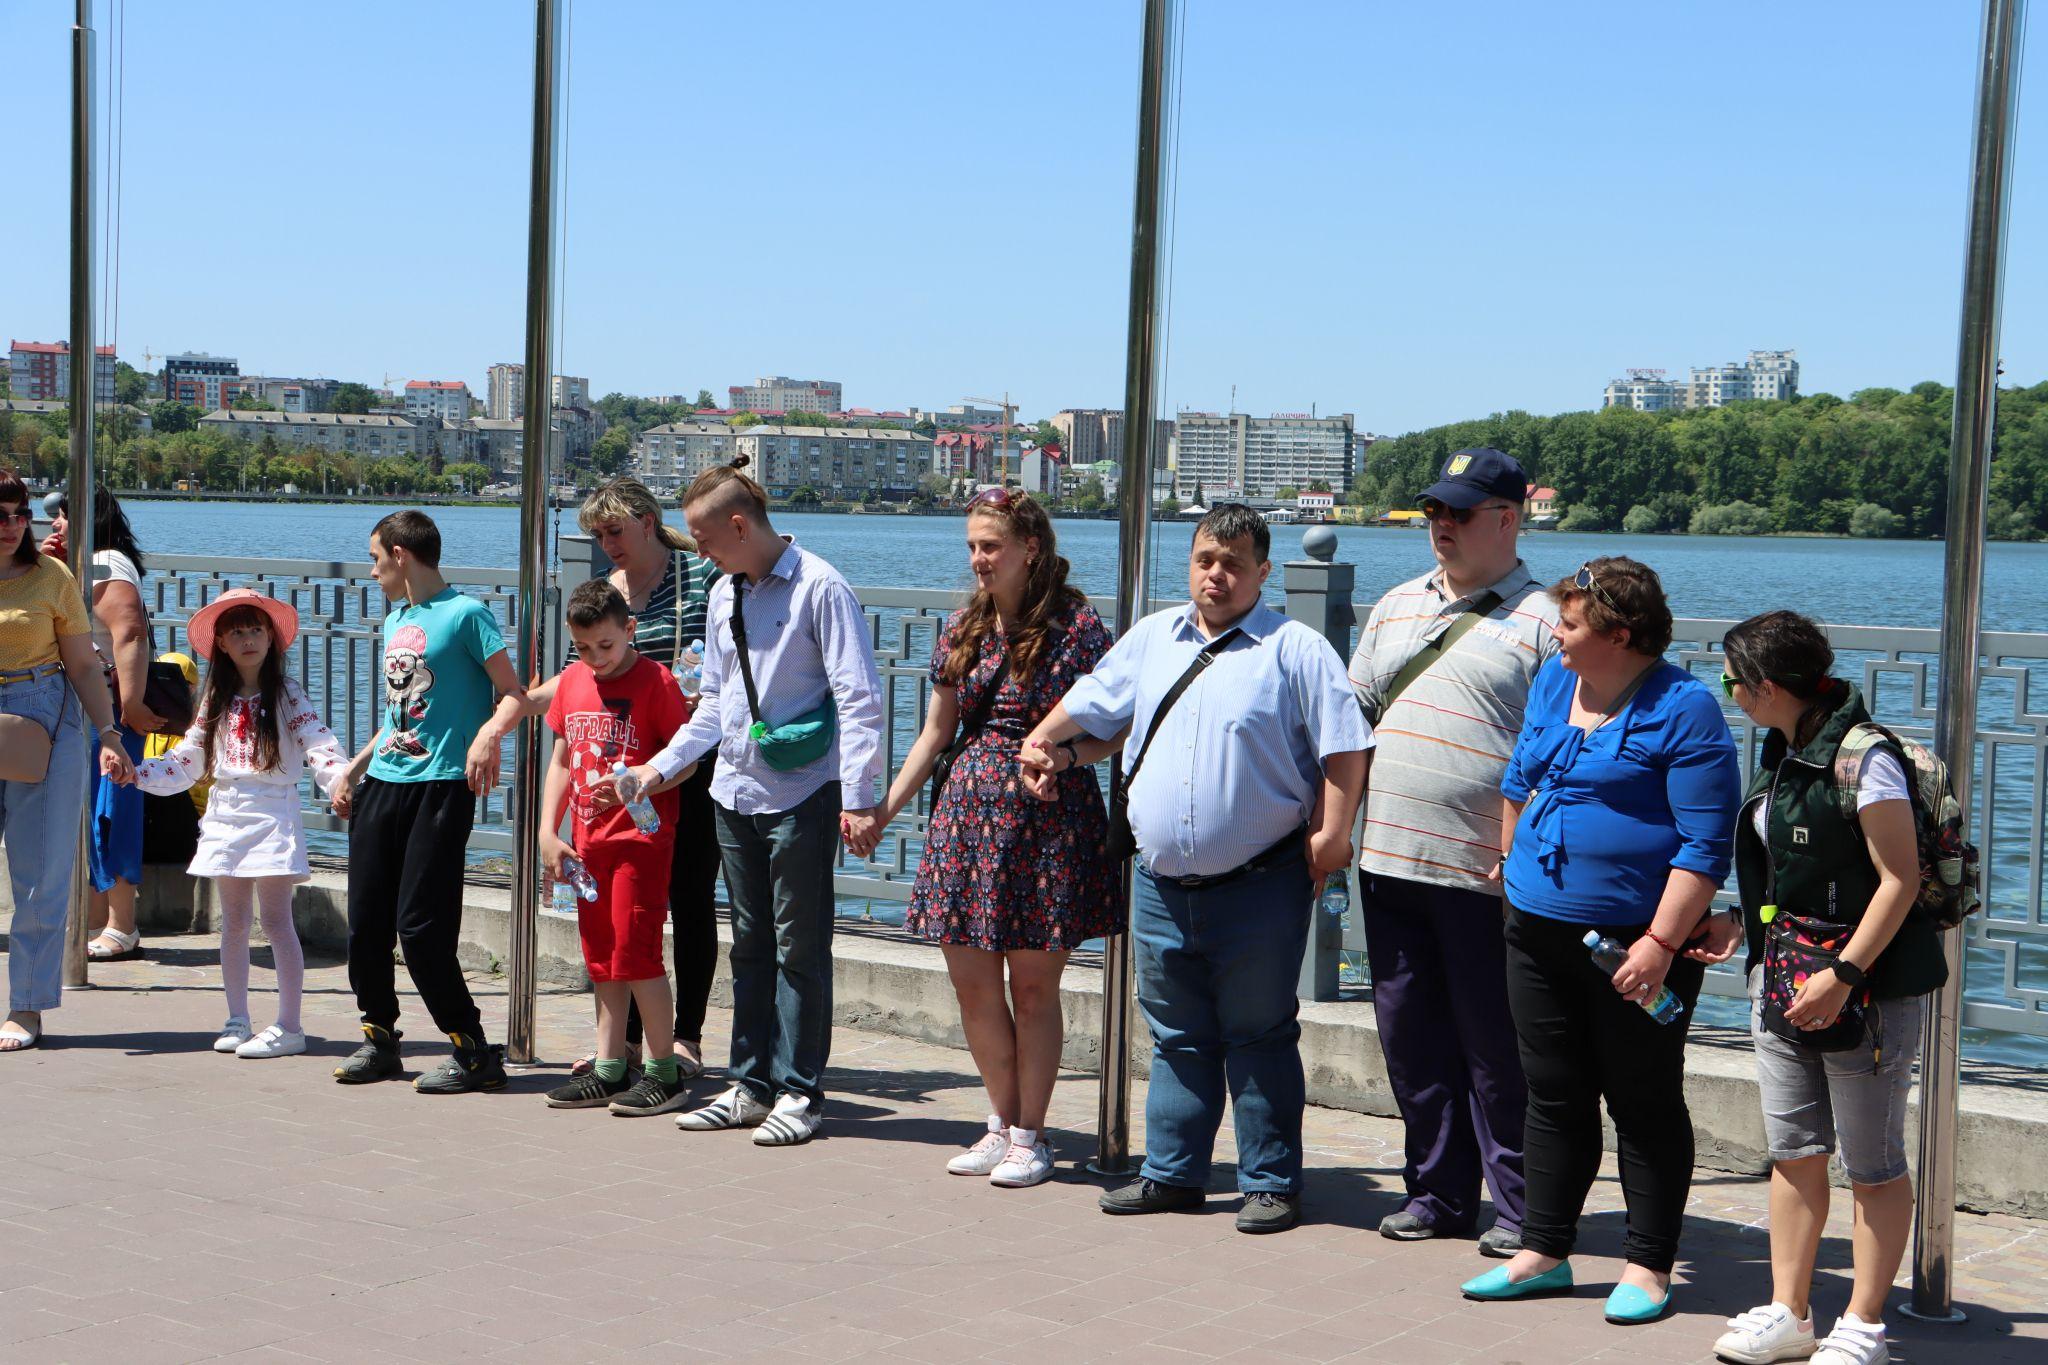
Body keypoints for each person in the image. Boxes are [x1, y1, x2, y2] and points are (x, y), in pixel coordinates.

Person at [1020, 505, 1370, 1234]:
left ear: (1263, 572)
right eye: (1207, 558)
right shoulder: (1153, 638)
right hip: (1158, 883)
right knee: (1175, 1035)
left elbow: (1345, 747)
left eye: (1235, 562)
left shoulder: (1295, 649)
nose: (1218, 574)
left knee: (1259, 1032)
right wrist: (1042, 742)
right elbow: (1090, 706)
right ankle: (1172, 1174)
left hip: (1260, 882)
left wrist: (1333, 835)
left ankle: (1270, 1181)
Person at [1460, 556, 1739, 1324]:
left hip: (1638, 944)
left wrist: (1657, 943)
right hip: (1536, 924)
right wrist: (1516, 865)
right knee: (1552, 1091)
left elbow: (1704, 845)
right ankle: (1543, 1251)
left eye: (1572, 622)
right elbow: (1521, 775)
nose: (1557, 632)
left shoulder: (1685, 708)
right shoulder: (1557, 679)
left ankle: (1648, 1265)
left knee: (1642, 1098)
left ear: (1620, 633)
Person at [847, 489, 1120, 1188]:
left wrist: (1063, 757)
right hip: (968, 817)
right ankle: (999, 1124)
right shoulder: (964, 623)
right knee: (972, 985)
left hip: (1047, 816)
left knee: (1033, 989)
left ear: (1031, 548)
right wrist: (884, 808)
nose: (978, 559)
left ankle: (1033, 1133)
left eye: (990, 545)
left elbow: (1115, 727)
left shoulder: (1078, 626)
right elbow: (936, 733)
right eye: (972, 545)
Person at [1704, 612, 1948, 1365]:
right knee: (1794, 1149)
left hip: (1863, 990)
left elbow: (1900, 879)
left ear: (1767, 685)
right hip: (1782, 977)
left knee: (1872, 1160)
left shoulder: (1861, 759)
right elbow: (1789, 866)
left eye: (1732, 682)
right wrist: (1737, 923)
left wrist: (1842, 976)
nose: (1731, 695)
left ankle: (1865, 1323)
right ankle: (1791, 1310)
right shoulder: (1784, 747)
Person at [627, 457, 886, 1146]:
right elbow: (712, 704)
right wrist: (659, 768)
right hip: (731, 791)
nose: (699, 550)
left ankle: (800, 1090)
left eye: (705, 537)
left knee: (800, 945)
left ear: (739, 525)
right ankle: (750, 1083)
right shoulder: (723, 594)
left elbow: (860, 700)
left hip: (802, 792)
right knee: (749, 943)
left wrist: (859, 799)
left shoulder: (821, 588)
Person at [1346, 448, 1558, 1257]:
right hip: (1389, 859)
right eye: (1435, 509)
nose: (1441, 523)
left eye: (1460, 512)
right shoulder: (1396, 604)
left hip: (1486, 873)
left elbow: (1564, 752)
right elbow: (1352, 715)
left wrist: (1529, 852)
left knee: (1496, 1047)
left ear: (1507, 518)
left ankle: (1519, 1206)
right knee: (1412, 1040)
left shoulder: (1545, 621)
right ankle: (1436, 1192)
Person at [479, 477, 722, 1081]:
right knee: (618, 916)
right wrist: (509, 711)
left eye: (614, 531)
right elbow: (575, 684)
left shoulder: (701, 580)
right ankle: (623, 1043)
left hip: (685, 760)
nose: (606, 543)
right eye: (597, 534)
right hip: (612, 776)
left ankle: (685, 1035)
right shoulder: (605, 595)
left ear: (646, 521)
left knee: (689, 900)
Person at [330, 510, 530, 1093]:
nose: (371, 572)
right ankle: (379, 1040)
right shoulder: (397, 618)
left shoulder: (468, 615)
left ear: (399, 554)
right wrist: (353, 769)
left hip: (441, 787)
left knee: (419, 926)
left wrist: (489, 736)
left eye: (374, 559)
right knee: (366, 922)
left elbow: (513, 694)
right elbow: (400, 715)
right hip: (384, 784)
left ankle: (473, 1050)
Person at [133, 590, 350, 1059]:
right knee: (232, 922)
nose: (248, 639)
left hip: (274, 810)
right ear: (222, 646)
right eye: (237, 632)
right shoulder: (215, 696)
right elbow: (189, 757)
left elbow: (318, 741)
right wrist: (139, 773)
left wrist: (339, 781)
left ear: (272, 638)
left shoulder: (288, 693)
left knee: (275, 921)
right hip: (226, 810)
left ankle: (289, 1025)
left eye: (256, 629)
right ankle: (237, 1019)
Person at [537, 580, 696, 1117]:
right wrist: (547, 831)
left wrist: (643, 783)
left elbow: (687, 761)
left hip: (640, 842)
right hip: (587, 843)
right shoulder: (573, 683)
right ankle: (608, 1068)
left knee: (637, 953)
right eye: (583, 649)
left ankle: (663, 1072)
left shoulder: (657, 681)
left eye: (605, 646)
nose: (595, 659)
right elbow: (560, 760)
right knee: (602, 955)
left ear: (629, 630)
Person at [0, 469, 135, 1053]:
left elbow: (83, 664)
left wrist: (108, 731)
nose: (9, 527)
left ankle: (26, 1006)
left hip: (44, 717)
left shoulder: (51, 576)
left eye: (16, 513)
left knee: (41, 874)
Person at [45, 487, 159, 963]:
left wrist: (128, 706)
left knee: (113, 811)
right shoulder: (88, 561)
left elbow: (128, 630)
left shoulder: (106, 561)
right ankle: (97, 919)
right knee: (95, 810)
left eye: (62, 516)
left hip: (107, 709)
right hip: (94, 709)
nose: (53, 524)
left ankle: (122, 925)